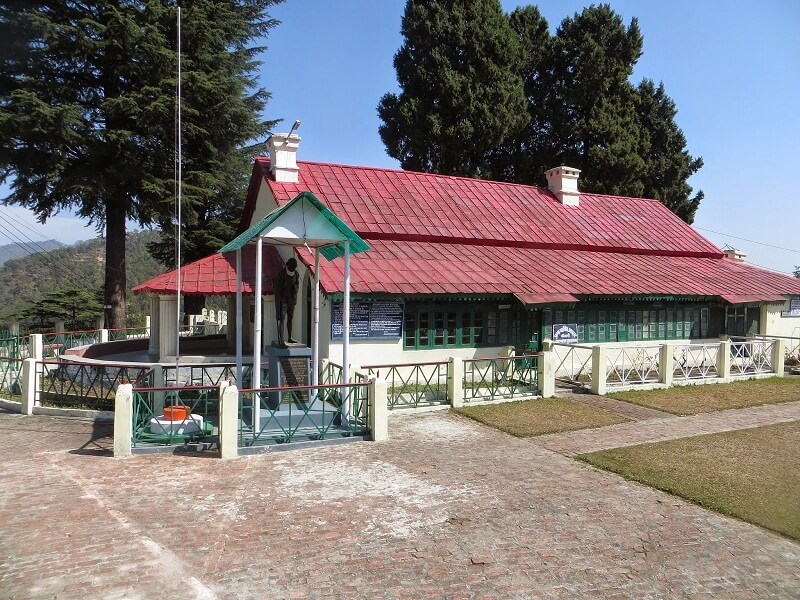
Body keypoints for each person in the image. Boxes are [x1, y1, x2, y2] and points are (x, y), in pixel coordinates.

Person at [275, 257, 300, 347]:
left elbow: (297, 287)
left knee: (290, 318)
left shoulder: (296, 274)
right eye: (292, 266)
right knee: (282, 319)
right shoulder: (282, 274)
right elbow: (277, 289)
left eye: (295, 266)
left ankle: (290, 337)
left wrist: (294, 288)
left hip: (291, 300)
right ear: (287, 265)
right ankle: (281, 339)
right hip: (283, 300)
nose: (293, 268)